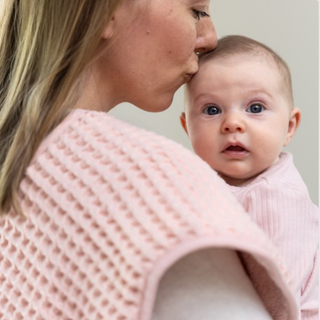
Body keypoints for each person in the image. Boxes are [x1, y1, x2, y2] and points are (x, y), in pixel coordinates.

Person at [0, 2, 298, 320]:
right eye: (196, 10)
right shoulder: (155, 181)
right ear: (105, 11)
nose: (210, 37)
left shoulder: (20, 165)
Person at [181, 35, 319, 320]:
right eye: (212, 110)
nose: (232, 123)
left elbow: (280, 294)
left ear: (290, 126)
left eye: (255, 108)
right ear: (186, 126)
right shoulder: (198, 182)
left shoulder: (275, 195)